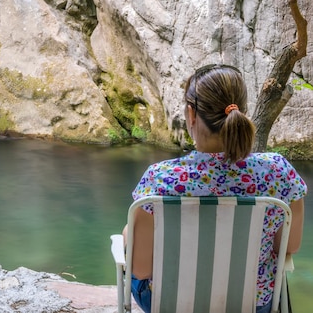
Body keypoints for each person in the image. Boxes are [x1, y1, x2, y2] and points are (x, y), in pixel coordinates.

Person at [127, 64, 307, 313]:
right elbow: (289, 247)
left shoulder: (161, 179)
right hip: (253, 304)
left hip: (174, 304)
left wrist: (129, 235)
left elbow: (140, 269)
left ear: (191, 114)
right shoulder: (279, 173)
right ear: (243, 111)